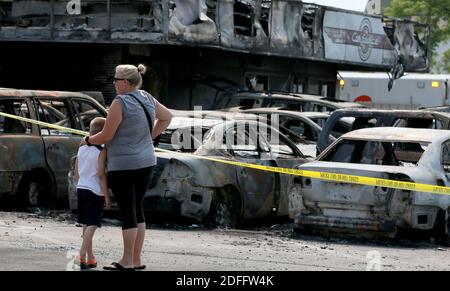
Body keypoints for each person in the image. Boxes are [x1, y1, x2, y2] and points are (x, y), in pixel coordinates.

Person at [84, 64, 172, 271]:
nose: (113, 83)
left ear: (124, 82)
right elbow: (167, 116)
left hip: (124, 164)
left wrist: (88, 140)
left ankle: (126, 260)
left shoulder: (119, 102)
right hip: (147, 161)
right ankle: (136, 259)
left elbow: (106, 135)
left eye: (114, 80)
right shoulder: (147, 97)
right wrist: (148, 137)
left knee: (128, 212)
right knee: (138, 210)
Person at [74, 117, 111, 270]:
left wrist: (80, 183)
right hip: (95, 191)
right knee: (93, 224)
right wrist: (107, 196)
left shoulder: (81, 148)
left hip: (81, 187)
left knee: (85, 223)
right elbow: (101, 175)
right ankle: (81, 253)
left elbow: (76, 172)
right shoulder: (101, 151)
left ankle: (90, 257)